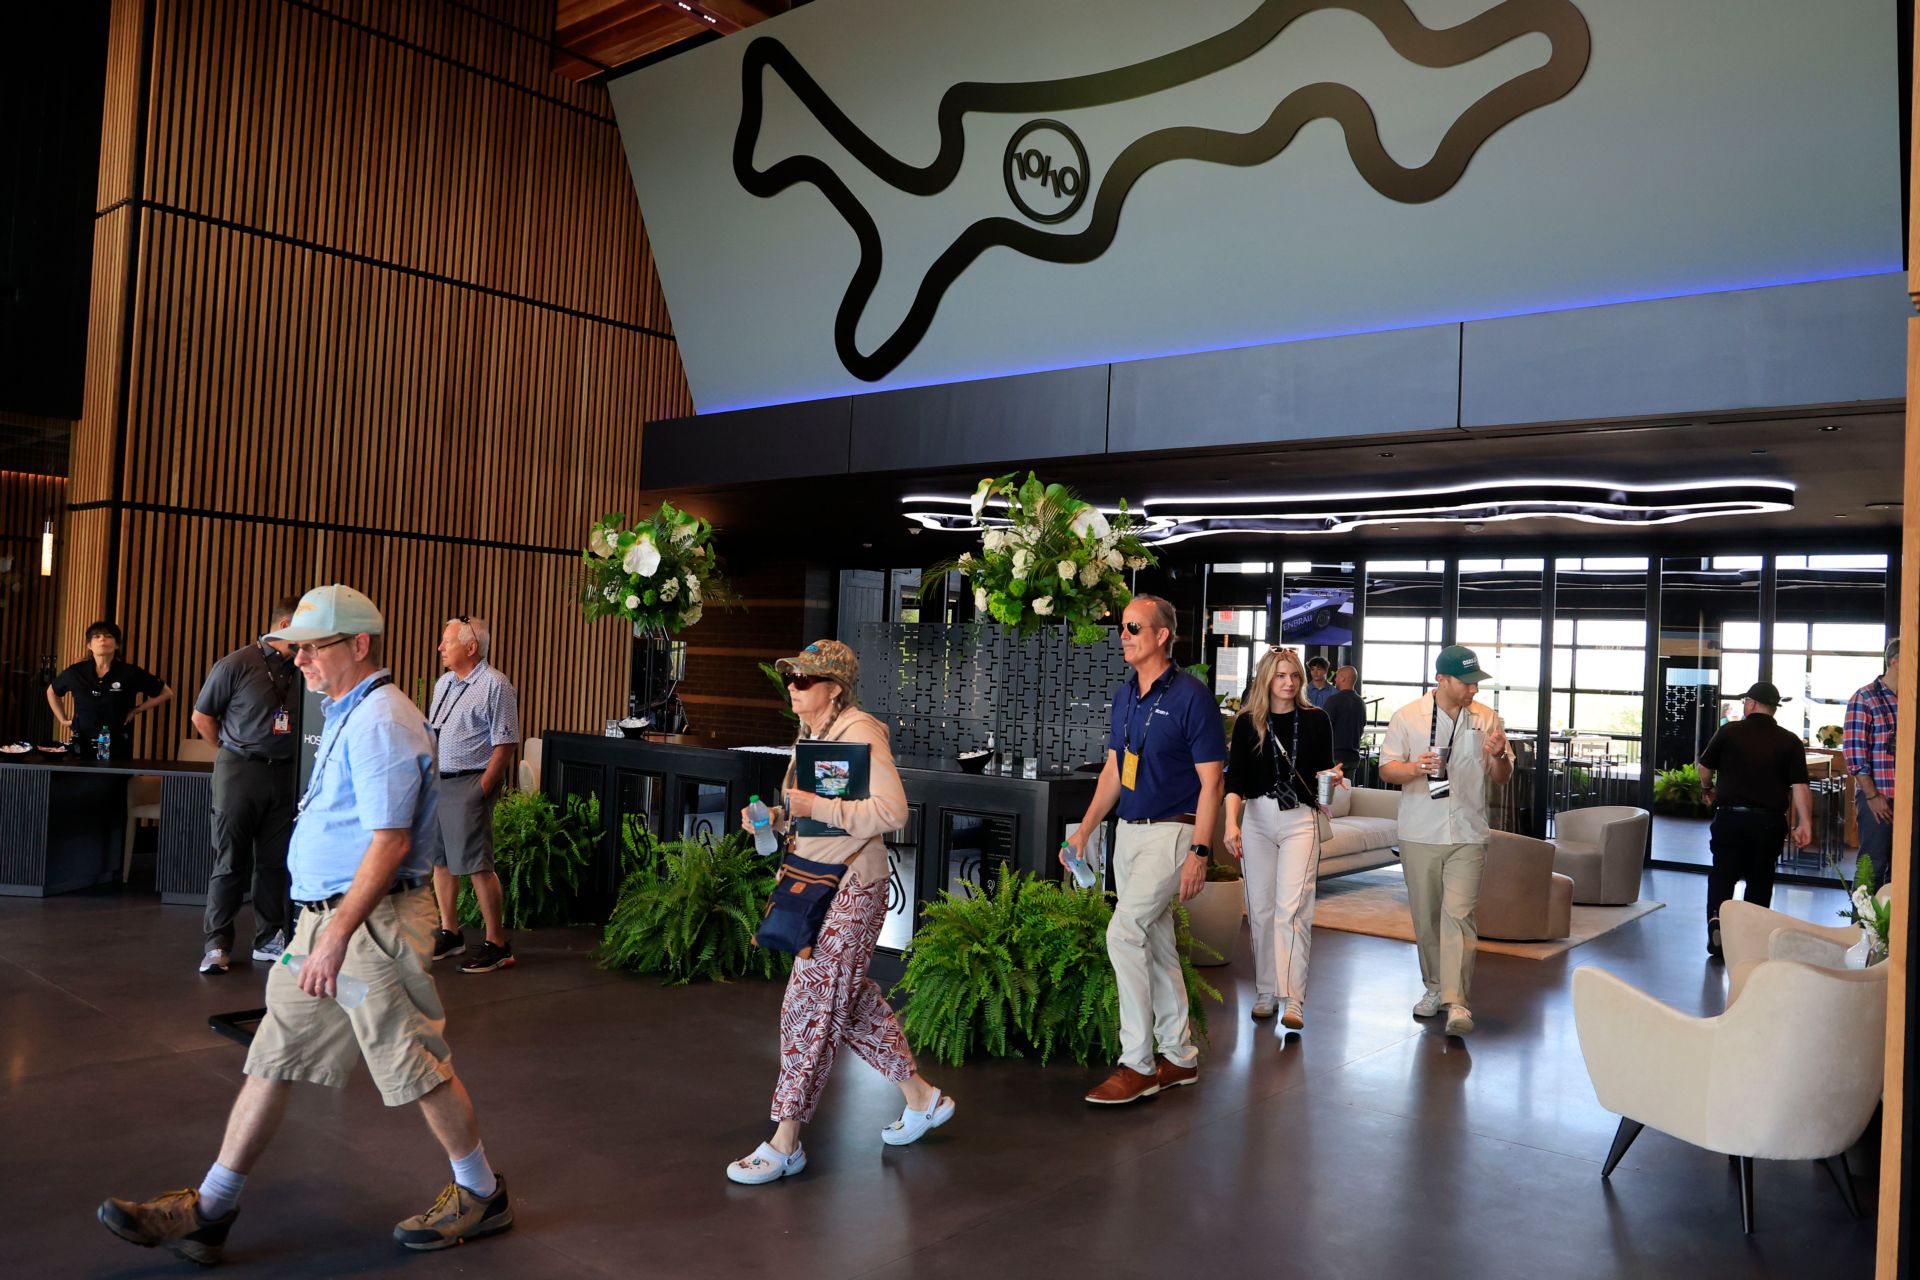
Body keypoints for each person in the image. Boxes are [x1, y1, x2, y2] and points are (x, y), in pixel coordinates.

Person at [98, 585, 511, 1263]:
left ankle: (482, 1192)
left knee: (413, 1062)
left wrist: (338, 935)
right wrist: (322, 932)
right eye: (296, 649)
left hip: (369, 925)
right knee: (274, 1055)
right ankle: (210, 1211)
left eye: (314, 648)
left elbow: (389, 843)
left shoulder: (382, 720)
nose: (300, 661)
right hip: (326, 924)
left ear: (359, 645)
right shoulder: (350, 711)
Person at [726, 639, 952, 1184]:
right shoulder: (813, 734)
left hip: (852, 885)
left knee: (809, 1004)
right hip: (817, 881)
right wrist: (776, 817)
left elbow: (893, 811)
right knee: (848, 1002)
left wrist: (816, 806)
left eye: (804, 679)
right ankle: (922, 1097)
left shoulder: (860, 731)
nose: (792, 686)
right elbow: (815, 814)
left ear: (834, 688)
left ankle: (785, 1142)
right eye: (791, 677)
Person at [1063, 595, 1226, 1104]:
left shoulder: (1193, 697)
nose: (1124, 634)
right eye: (1122, 626)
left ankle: (1136, 1064)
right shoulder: (1126, 695)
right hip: (1129, 832)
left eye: (1134, 627)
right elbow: (1116, 769)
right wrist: (1085, 829)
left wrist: (1200, 851)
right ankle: (1178, 1056)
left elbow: (1212, 783)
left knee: (1124, 931)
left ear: (1161, 635)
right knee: (1155, 944)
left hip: (1172, 832)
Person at [1378, 645, 1512, 1037]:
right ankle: (1434, 987)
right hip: (1420, 831)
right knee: (1426, 917)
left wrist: (1500, 755)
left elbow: (1501, 776)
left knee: (1459, 915)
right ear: (1442, 679)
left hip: (1468, 832)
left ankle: (1457, 1002)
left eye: (1476, 682)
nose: (1474, 689)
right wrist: (1415, 767)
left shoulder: (1487, 718)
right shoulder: (1408, 716)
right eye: (1466, 682)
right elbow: (1386, 769)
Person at [1223, 646, 1340, 1032]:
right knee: (1260, 909)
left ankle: (1293, 999)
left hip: (1300, 820)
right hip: (1256, 819)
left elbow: (1324, 774)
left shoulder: (1317, 719)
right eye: (1280, 675)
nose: (1289, 683)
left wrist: (1333, 779)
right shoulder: (1248, 723)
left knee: (1292, 910)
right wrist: (1231, 823)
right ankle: (1266, 991)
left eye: (1294, 676)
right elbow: (1235, 780)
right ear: (1266, 679)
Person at [191, 596, 304, 975]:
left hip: (284, 773)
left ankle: (269, 939)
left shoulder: (302, 668)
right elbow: (202, 716)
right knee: (231, 860)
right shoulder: (236, 663)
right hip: (240, 770)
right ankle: (217, 944)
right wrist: (231, 751)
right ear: (286, 625)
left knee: (274, 861)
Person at [426, 617, 521, 974]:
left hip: (470, 783)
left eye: (447, 642)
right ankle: (451, 932)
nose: (440, 648)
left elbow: (506, 742)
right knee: (441, 861)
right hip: (439, 782)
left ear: (471, 647)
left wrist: (482, 787)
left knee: (477, 864)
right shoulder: (444, 683)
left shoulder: (495, 684)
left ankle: (498, 944)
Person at [1699, 680, 1812, 958]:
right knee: (1760, 878)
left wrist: (1707, 788)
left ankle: (1717, 921)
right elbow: (1800, 785)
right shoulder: (1790, 741)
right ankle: (1751, 938)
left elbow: (1704, 767)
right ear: (1773, 708)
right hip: (1769, 822)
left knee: (1723, 873)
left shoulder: (1729, 731)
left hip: (1730, 818)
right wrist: (1805, 823)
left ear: (1750, 704)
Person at [46, 620, 173, 760]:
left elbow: (166, 692)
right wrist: (63, 719)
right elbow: (52, 691)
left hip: (117, 743)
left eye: (108, 636)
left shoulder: (130, 672)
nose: (102, 639)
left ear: (117, 644)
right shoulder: (76, 672)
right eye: (97, 636)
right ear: (89, 645)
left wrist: (136, 710)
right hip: (82, 742)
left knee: (112, 772)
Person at [1843, 637, 1899, 889]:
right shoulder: (1865, 697)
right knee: (1872, 867)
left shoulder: (1910, 699)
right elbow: (1855, 754)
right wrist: (1872, 796)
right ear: (1896, 661)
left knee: (1901, 871)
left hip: (1907, 801)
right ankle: (1862, 917)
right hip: (1878, 798)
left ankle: (1892, 917)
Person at [1326, 664, 1367, 774]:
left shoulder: (1333, 700)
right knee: (1348, 785)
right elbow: (1362, 728)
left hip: (1334, 757)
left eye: (1337, 676)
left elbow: (1324, 728)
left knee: (1331, 785)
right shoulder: (1361, 702)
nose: (1335, 680)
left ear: (1343, 678)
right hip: (1353, 758)